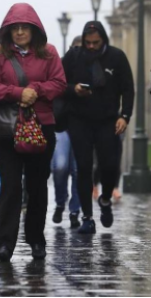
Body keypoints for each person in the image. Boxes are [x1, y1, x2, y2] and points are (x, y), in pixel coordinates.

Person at [0, 3, 67, 261]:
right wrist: (19, 93)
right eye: (15, 28)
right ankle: (4, 243)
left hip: (41, 127)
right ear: (7, 31)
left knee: (37, 185)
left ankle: (36, 239)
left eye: (24, 28)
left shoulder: (49, 53)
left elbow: (59, 83)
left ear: (34, 30)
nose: (19, 32)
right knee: (10, 186)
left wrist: (36, 91)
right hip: (9, 128)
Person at [62, 21, 134, 234]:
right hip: (79, 120)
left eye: (96, 42)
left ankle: (105, 199)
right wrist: (73, 89)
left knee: (109, 165)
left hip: (108, 120)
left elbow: (128, 89)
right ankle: (87, 217)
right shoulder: (74, 57)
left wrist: (125, 116)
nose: (91, 46)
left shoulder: (116, 57)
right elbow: (57, 84)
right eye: (88, 42)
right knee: (83, 167)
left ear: (103, 40)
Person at [52, 36, 82, 229]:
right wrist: (74, 90)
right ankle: (60, 201)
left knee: (79, 170)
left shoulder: (93, 69)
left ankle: (74, 211)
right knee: (60, 166)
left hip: (82, 126)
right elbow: (55, 88)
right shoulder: (60, 67)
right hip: (61, 123)